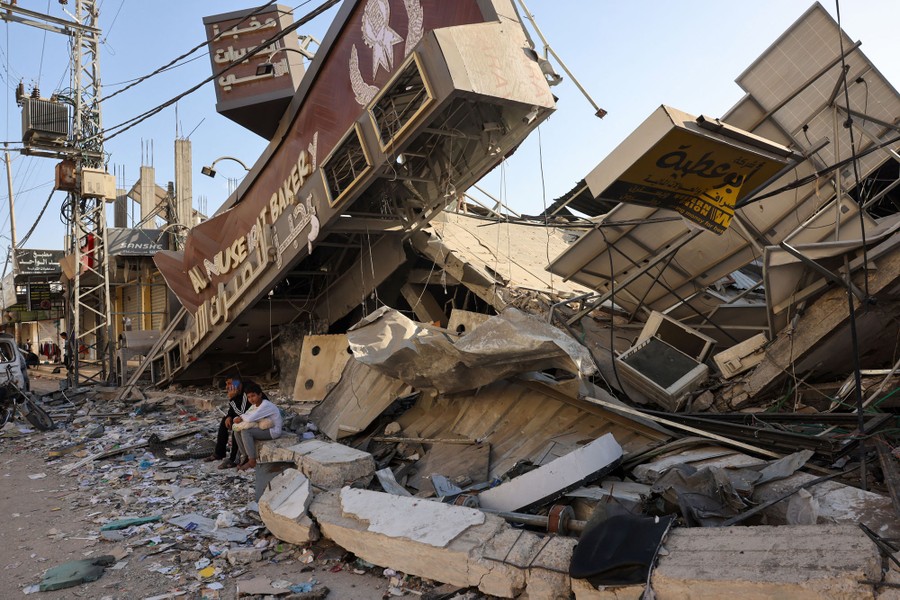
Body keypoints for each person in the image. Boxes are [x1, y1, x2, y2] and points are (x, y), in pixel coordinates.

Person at [233, 381, 282, 471]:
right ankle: (245, 456)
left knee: (246, 432)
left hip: (273, 431)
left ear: (260, 395)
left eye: (253, 396)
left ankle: (252, 460)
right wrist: (238, 418)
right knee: (237, 431)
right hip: (263, 428)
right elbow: (247, 414)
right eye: (249, 397)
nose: (251, 399)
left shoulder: (265, 405)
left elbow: (249, 418)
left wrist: (241, 417)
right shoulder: (254, 406)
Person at [204, 377, 250, 468]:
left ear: (237, 383)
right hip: (245, 416)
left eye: (229, 383)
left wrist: (231, 399)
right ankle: (219, 453)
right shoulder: (238, 391)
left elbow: (242, 412)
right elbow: (234, 410)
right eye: (226, 384)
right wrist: (229, 416)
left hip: (255, 418)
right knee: (225, 420)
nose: (227, 387)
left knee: (237, 426)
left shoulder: (246, 391)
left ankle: (234, 459)